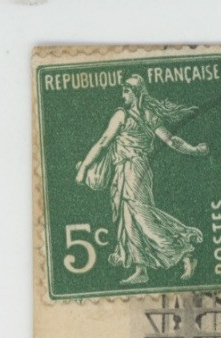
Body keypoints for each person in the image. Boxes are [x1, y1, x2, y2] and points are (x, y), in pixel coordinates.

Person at [73, 74, 207, 285]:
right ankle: (141, 268)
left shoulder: (128, 116)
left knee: (141, 214)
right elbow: (105, 142)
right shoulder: (142, 116)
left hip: (135, 169)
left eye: (126, 91)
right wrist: (194, 150)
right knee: (128, 218)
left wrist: (194, 150)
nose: (122, 95)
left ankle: (184, 251)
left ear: (135, 93)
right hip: (122, 170)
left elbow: (103, 143)